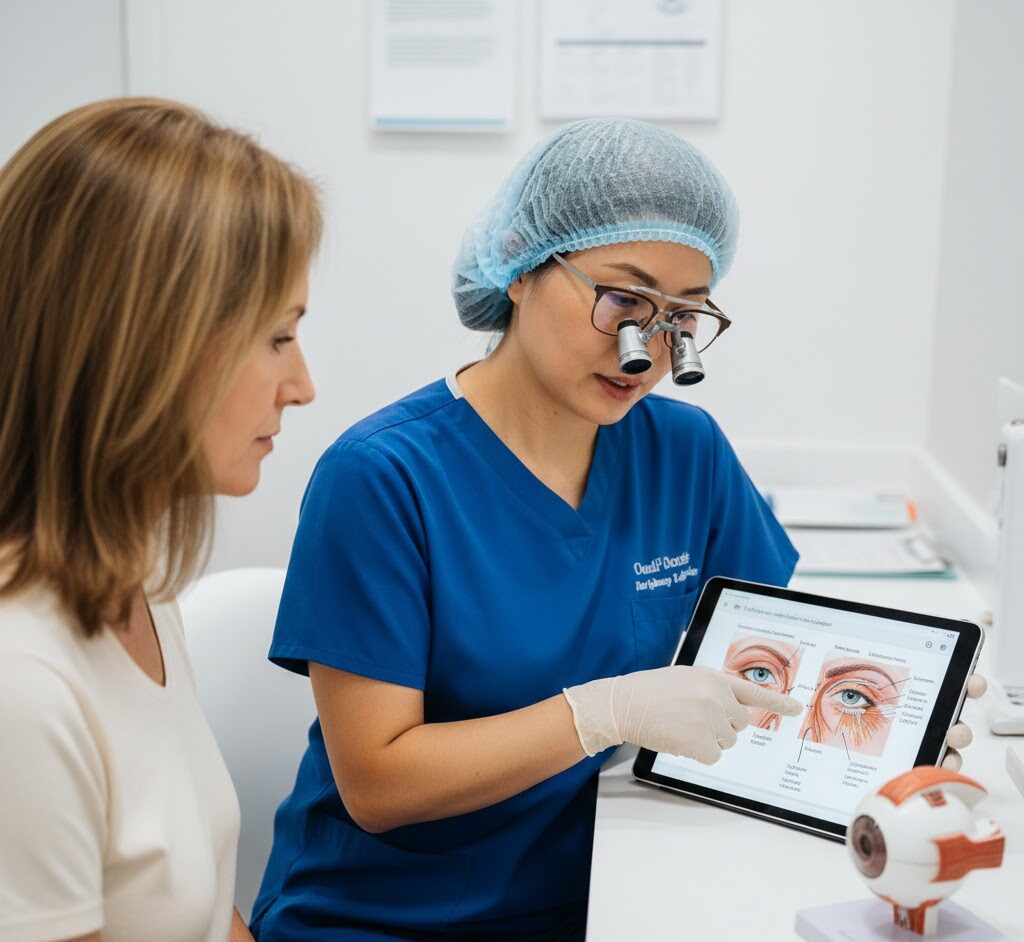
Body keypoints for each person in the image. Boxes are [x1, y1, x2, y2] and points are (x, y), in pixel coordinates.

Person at [250, 118, 982, 941]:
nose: (647, 353)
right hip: (386, 917)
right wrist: (601, 713)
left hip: (605, 892)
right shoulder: (383, 476)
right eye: (623, 300)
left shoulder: (685, 450)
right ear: (522, 266)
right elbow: (379, 785)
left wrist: (888, 732)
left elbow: (764, 662)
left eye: (681, 318)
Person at [0, 98, 320, 942]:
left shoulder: (133, 585)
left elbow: (203, 910)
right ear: (150, 345)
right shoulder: (21, 680)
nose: (304, 385)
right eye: (278, 338)